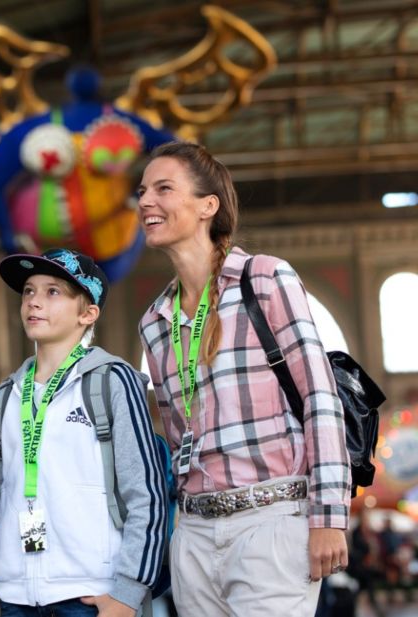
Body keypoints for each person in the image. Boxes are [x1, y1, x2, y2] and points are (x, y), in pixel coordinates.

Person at [136, 141, 351, 616]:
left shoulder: (265, 279)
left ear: (207, 206)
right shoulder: (154, 322)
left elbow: (320, 398)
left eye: (164, 188)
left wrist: (329, 518)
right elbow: (176, 435)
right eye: (143, 191)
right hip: (192, 534)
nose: (146, 201)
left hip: (271, 524)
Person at [0, 248, 167, 617]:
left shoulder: (112, 381)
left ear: (87, 314)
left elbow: (146, 494)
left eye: (53, 292)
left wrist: (127, 593)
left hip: (91, 597)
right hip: (14, 599)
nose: (34, 302)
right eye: (28, 291)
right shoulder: (6, 396)